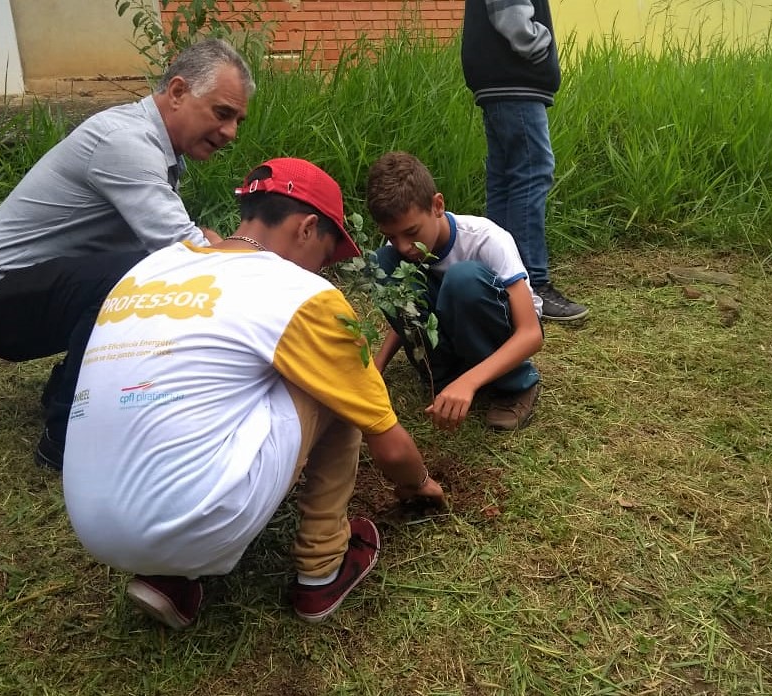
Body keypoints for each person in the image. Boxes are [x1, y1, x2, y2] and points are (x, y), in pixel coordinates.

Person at [62, 158, 446, 629]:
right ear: (307, 228)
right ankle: (324, 566)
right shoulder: (300, 293)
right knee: (338, 385)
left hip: (91, 521)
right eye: (325, 257)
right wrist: (419, 485)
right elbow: (387, 443)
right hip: (194, 517)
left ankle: (171, 577)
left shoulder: (154, 267)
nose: (322, 272)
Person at [0, 37, 254, 471]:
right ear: (177, 92)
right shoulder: (125, 143)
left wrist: (208, 242)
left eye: (238, 120)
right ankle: (64, 438)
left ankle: (68, 388)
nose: (231, 133)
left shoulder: (153, 147)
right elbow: (183, 250)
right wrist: (251, 257)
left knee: (151, 274)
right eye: (222, 113)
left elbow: (176, 240)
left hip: (23, 291)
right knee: (150, 274)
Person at [366, 151, 544, 431]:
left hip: (502, 333)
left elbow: (531, 334)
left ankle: (515, 385)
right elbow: (405, 307)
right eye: (391, 236)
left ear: (437, 205)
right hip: (452, 329)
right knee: (383, 263)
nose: (403, 246)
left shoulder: (485, 239)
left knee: (463, 280)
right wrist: (377, 365)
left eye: (412, 232)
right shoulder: (401, 251)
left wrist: (470, 382)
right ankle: (444, 378)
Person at [460, 0, 588, 321]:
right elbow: (511, 16)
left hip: (498, 83)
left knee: (505, 179)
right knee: (531, 174)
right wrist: (539, 45)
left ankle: (502, 281)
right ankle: (532, 285)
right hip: (514, 80)